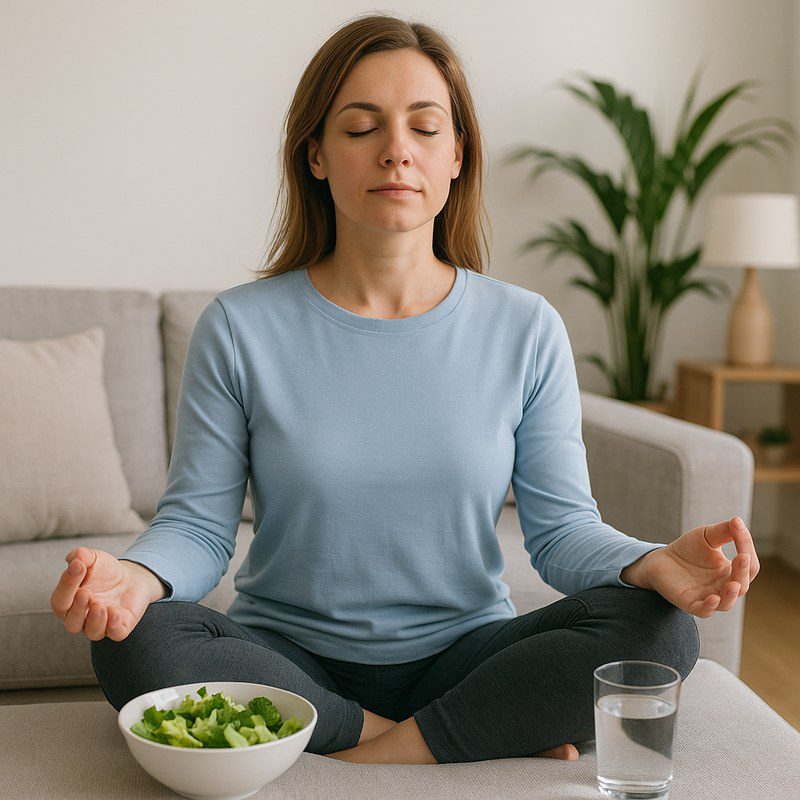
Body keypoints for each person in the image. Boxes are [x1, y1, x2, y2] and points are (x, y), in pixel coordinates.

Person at [50, 13, 759, 765]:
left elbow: (561, 534)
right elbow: (197, 528)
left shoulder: (526, 327)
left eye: (425, 128)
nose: (396, 152)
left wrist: (651, 561)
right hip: (291, 661)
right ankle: (430, 737)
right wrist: (136, 576)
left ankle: (354, 747)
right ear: (316, 154)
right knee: (138, 639)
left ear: (457, 154)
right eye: (361, 128)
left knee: (662, 628)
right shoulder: (237, 327)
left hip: (467, 655)